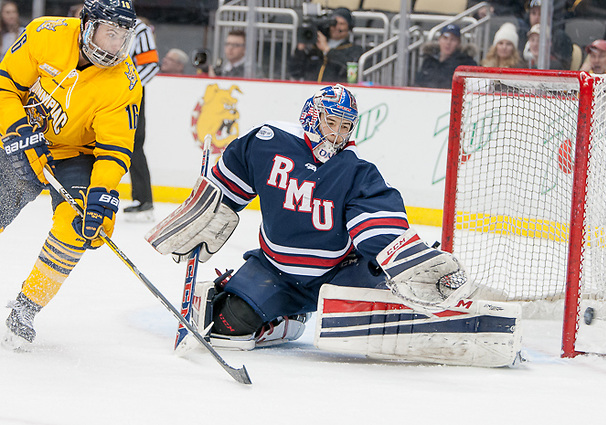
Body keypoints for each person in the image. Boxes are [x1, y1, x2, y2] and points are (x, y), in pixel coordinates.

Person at [144, 84, 518, 365]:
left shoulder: (355, 170)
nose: (336, 135)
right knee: (227, 326)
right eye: (330, 122)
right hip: (275, 270)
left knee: (399, 313)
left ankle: (454, 309)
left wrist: (406, 260)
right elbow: (227, 187)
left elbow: (377, 228)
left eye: (344, 127)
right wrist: (208, 211)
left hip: (339, 274)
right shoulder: (267, 141)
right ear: (311, 114)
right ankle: (287, 319)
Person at [0, 0, 142, 347]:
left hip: (76, 156)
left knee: (78, 224)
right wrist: (17, 130)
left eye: (122, 36)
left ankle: (26, 306)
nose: (114, 46)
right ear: (86, 24)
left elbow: (114, 150)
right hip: (26, 137)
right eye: (109, 33)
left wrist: (102, 193)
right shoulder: (45, 34)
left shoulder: (125, 83)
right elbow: (5, 85)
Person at [122, 17, 160, 221]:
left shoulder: (138, 28)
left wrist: (128, 88)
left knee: (133, 144)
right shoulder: (94, 21)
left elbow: (150, 65)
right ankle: (82, 194)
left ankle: (143, 200)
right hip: (96, 92)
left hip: (129, 97)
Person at [288, 7, 363, 83]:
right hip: (313, 92)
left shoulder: (354, 49)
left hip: (335, 92)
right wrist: (300, 49)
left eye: (342, 24)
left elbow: (349, 69)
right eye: (334, 23)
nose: (337, 27)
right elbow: (295, 73)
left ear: (349, 27)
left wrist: (327, 50)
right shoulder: (315, 48)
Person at [414, 24, 477, 89]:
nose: (448, 43)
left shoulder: (466, 63)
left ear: (458, 43)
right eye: (445, 38)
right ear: (439, 40)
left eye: (453, 39)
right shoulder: (429, 60)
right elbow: (418, 84)